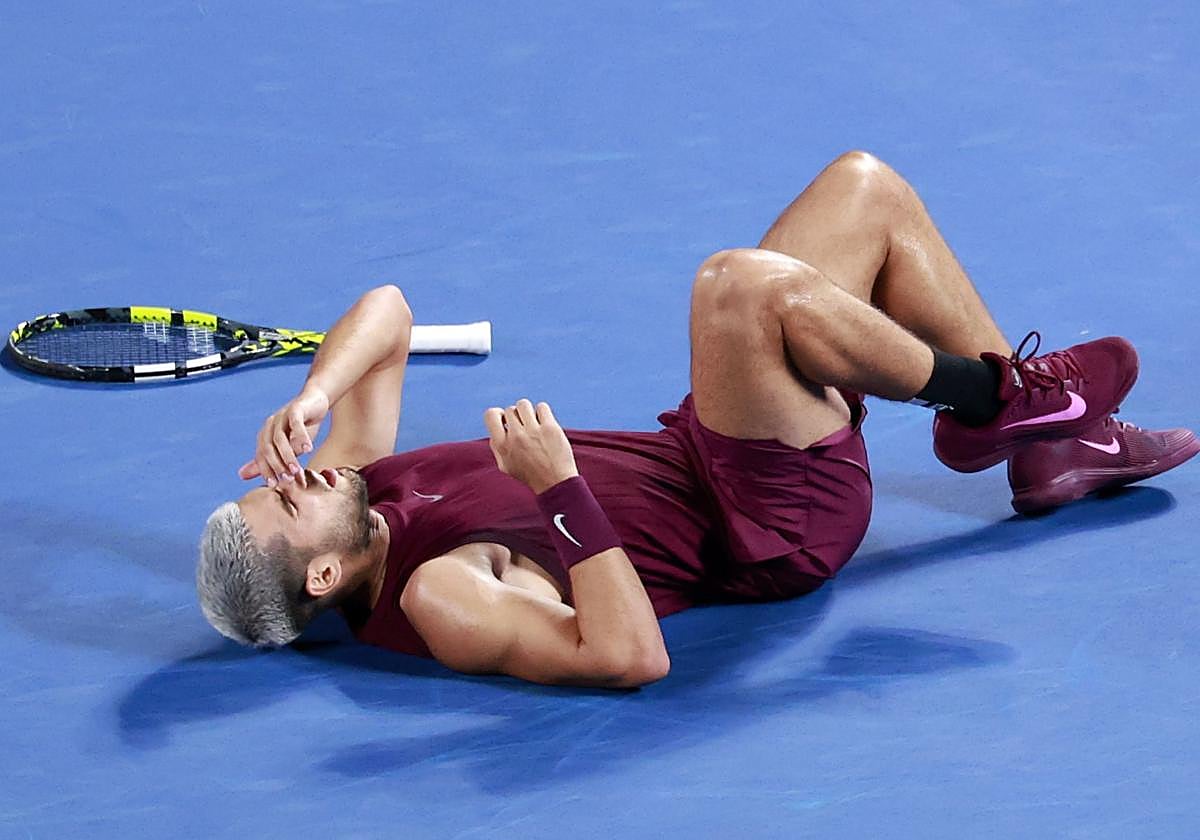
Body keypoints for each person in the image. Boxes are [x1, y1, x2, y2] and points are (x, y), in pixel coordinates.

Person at [196, 151, 1198, 688]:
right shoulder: (437, 596)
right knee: (736, 287)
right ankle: (995, 405)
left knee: (864, 189)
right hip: (771, 525)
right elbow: (627, 657)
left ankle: (1053, 446)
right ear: (322, 578)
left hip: (714, 443)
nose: (293, 476)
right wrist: (557, 488)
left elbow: (388, 311)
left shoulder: (362, 490)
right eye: (285, 505)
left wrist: (313, 397)